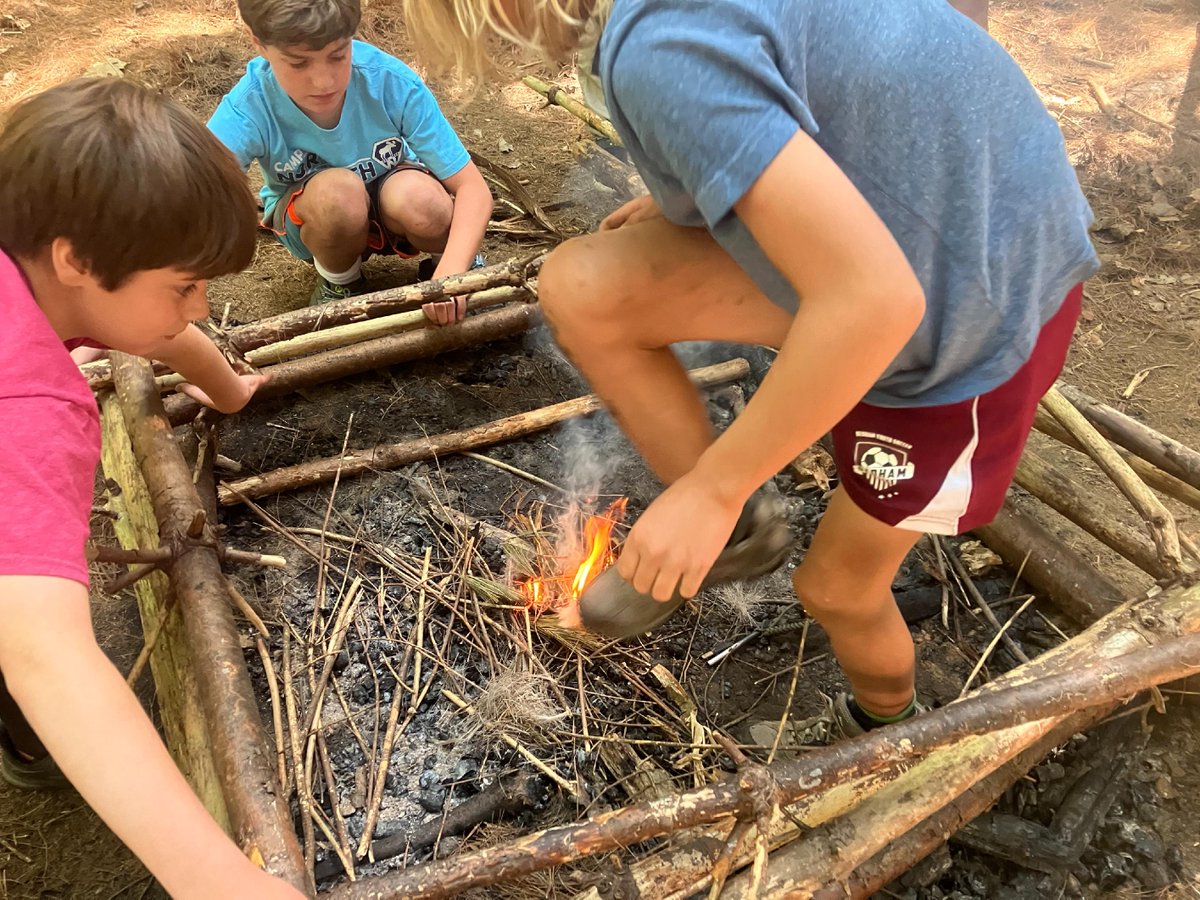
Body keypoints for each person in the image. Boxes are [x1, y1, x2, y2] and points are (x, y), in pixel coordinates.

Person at [401, 0, 1098, 737]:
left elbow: (878, 300)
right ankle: (736, 538)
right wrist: (713, 175)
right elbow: (822, 79)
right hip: (928, 221)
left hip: (978, 303)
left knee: (836, 589)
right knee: (585, 287)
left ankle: (886, 727)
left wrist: (714, 487)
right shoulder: (664, 33)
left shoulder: (660, 51)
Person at [0, 77, 300, 898]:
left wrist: (227, 386)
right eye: (185, 286)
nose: (201, 305)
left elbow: (156, 330)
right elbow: (44, 653)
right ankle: (30, 745)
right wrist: (218, 881)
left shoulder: (39, 261)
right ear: (77, 261)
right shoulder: (28, 404)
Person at [209, 0, 494, 323]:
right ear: (257, 41)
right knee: (338, 194)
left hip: (396, 200)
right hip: (319, 218)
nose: (324, 81)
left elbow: (472, 188)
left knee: (423, 200)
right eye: (299, 63)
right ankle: (341, 282)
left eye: (338, 55)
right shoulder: (249, 105)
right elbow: (196, 198)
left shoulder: (389, 81)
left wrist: (452, 274)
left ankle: (448, 267)